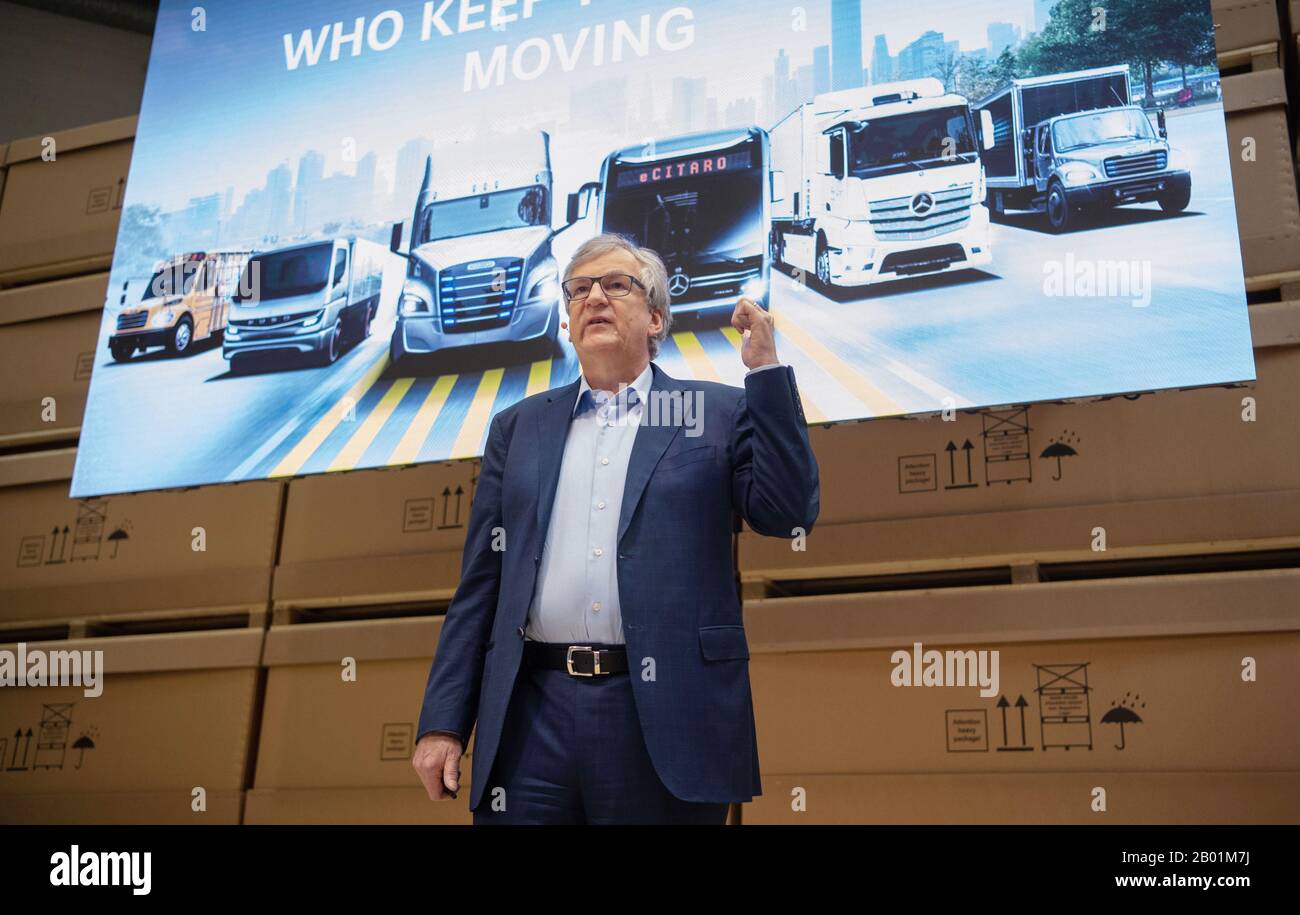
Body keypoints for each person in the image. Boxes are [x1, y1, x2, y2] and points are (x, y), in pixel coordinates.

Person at [412, 232, 819, 823]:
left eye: (616, 285)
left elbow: (787, 511)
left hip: (663, 712)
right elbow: (481, 586)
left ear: (656, 317)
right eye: (579, 289)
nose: (593, 297)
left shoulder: (716, 412)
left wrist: (766, 374)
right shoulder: (517, 428)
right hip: (532, 718)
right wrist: (444, 721)